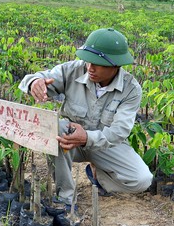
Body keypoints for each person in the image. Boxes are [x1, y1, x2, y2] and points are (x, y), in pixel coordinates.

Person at [19, 28, 153, 209]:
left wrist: (87, 138)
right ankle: (65, 197)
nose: (90, 68)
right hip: (69, 142)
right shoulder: (73, 70)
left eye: (98, 64)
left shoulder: (131, 89)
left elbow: (118, 132)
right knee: (57, 128)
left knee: (142, 180)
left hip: (105, 144)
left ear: (116, 65)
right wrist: (34, 82)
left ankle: (98, 176)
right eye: (89, 61)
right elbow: (42, 78)